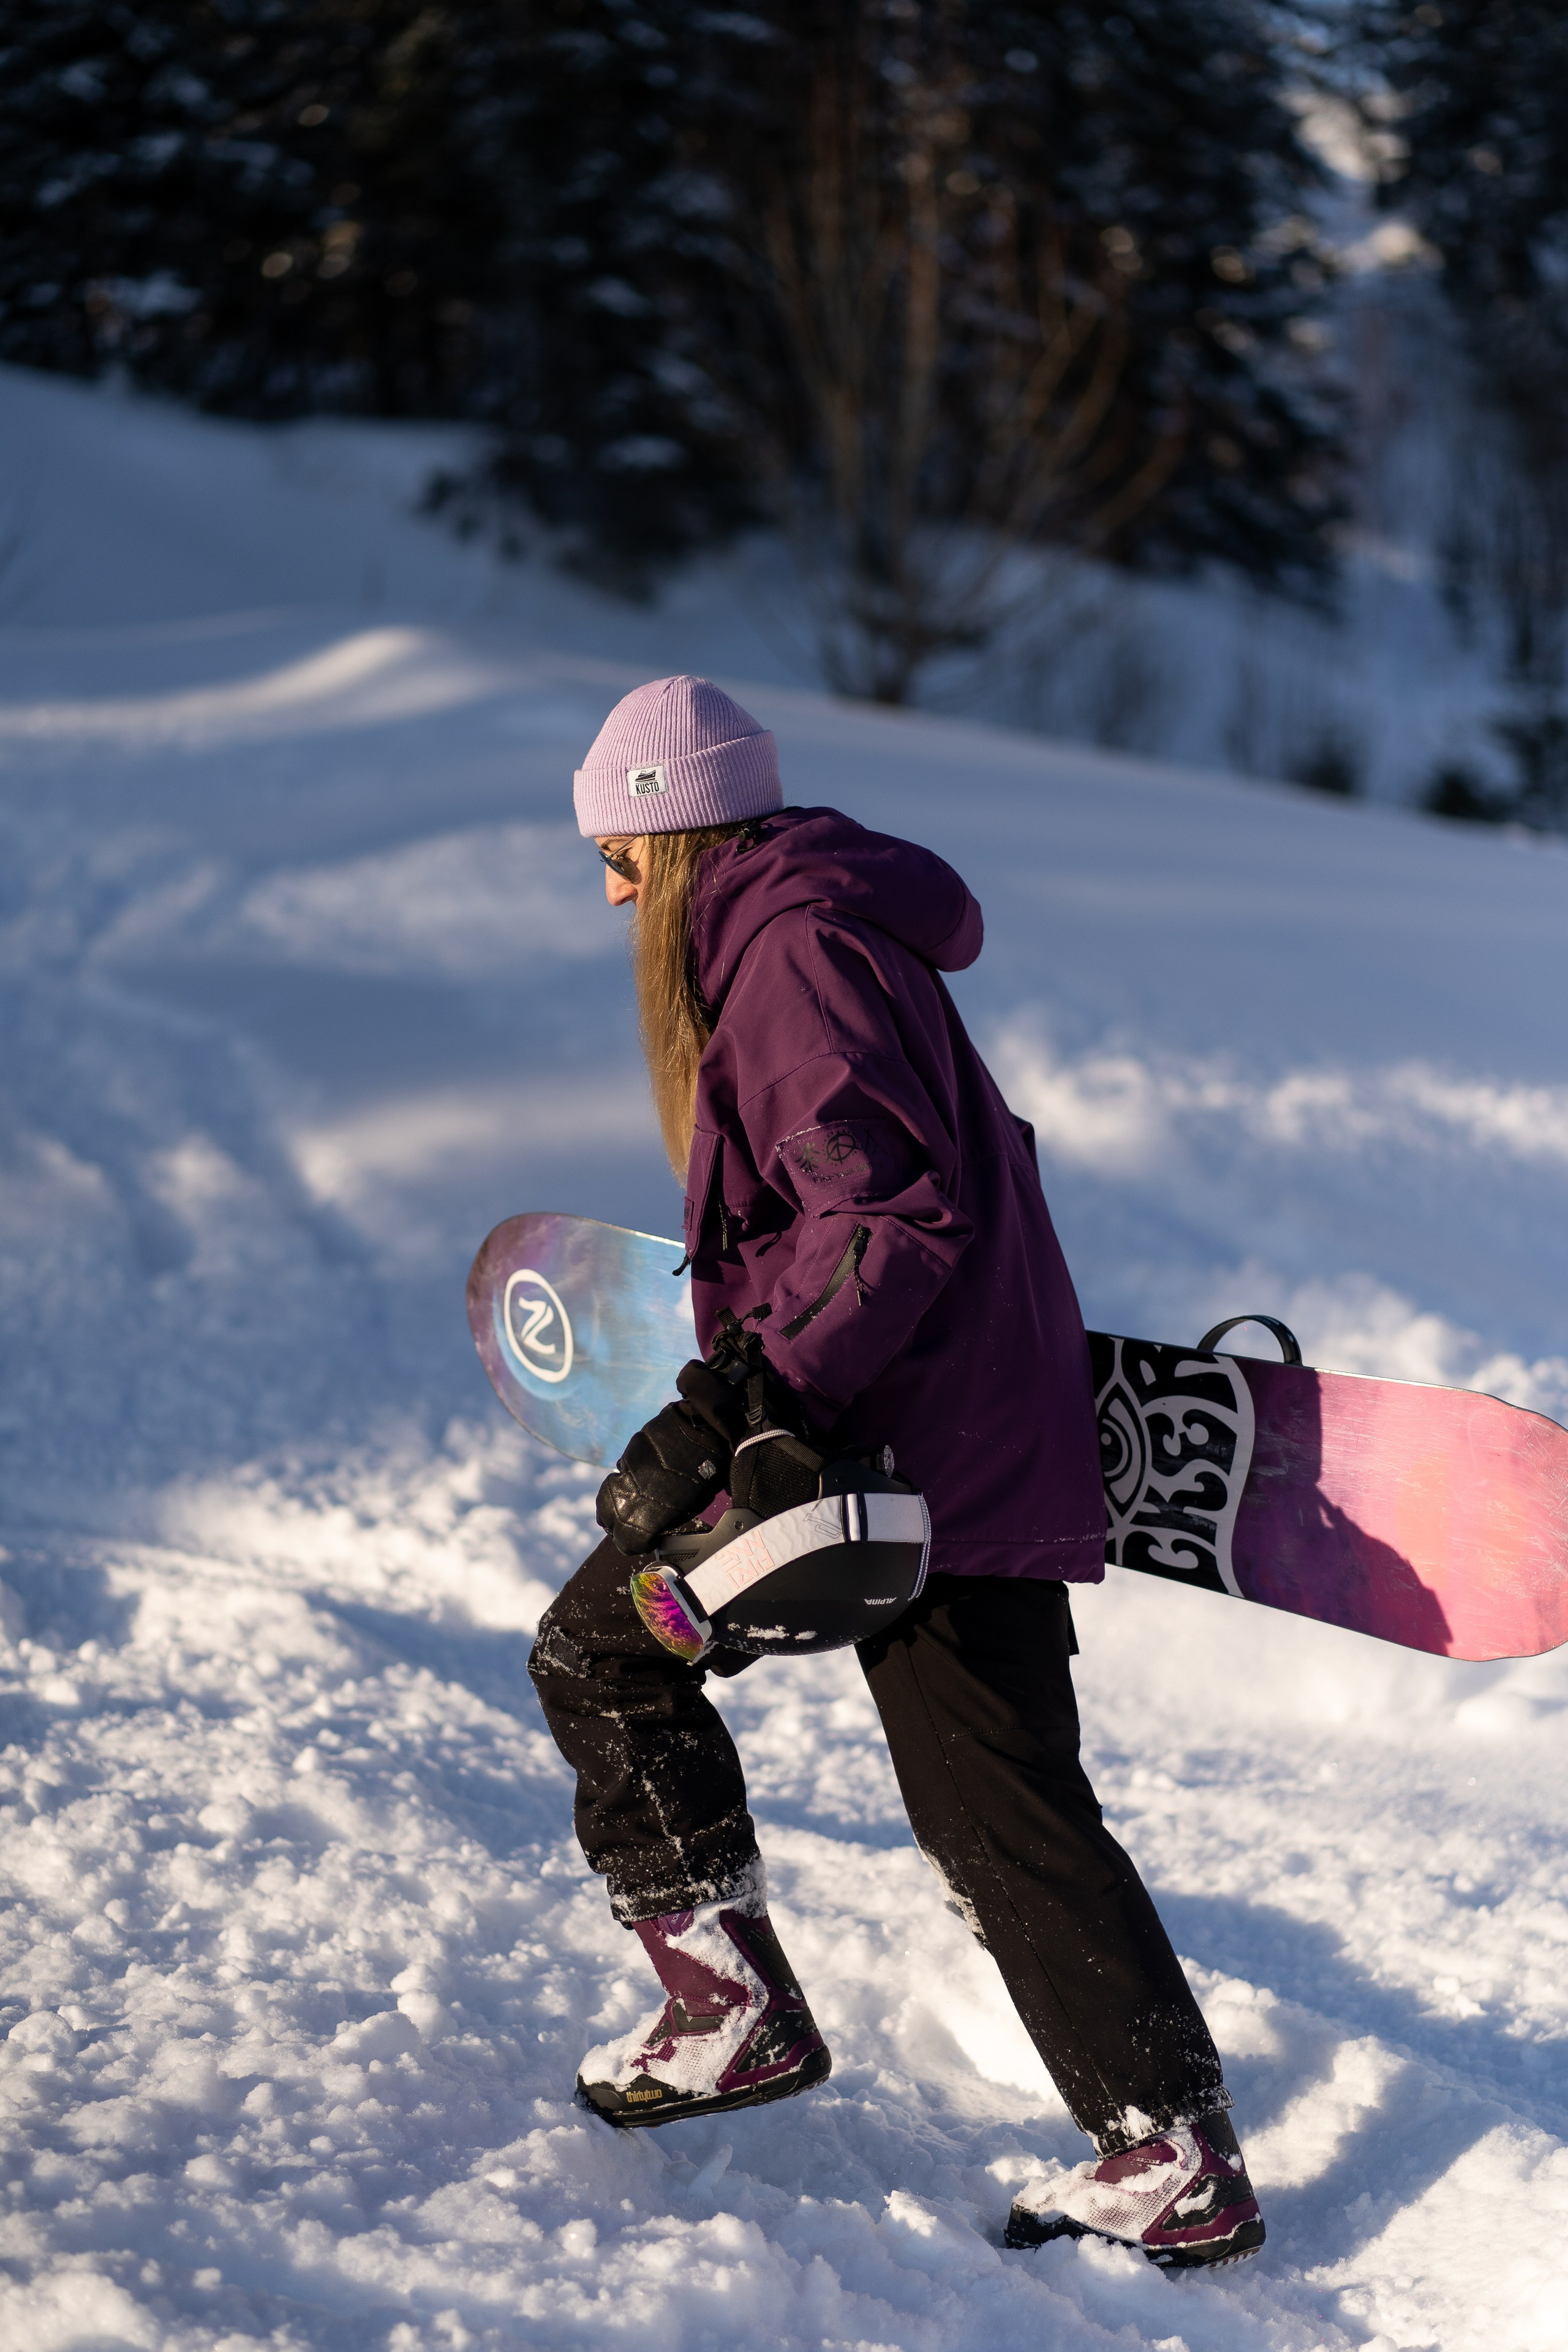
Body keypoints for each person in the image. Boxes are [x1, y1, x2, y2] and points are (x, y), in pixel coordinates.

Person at [527, 675, 1264, 2271]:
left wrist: (736, 1398)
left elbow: (881, 1220)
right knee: (996, 1801)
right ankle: (1170, 2152)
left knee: (600, 1650)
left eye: (618, 856)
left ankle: (728, 2010)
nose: (607, 892)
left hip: (888, 1456)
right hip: (959, 1440)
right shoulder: (821, 926)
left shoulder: (786, 948)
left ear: (669, 839)